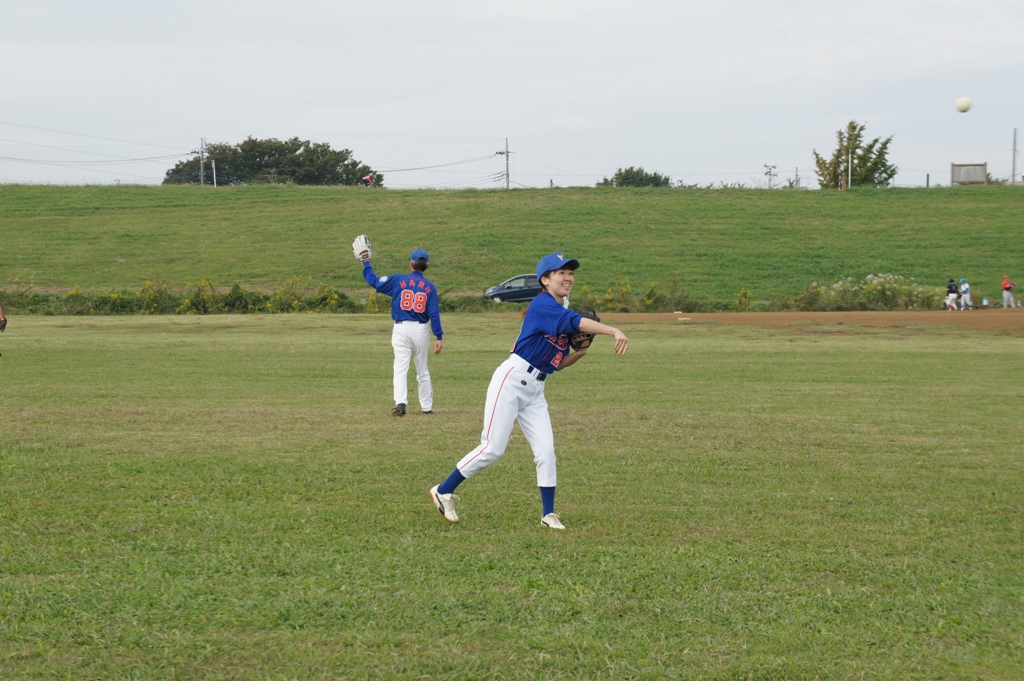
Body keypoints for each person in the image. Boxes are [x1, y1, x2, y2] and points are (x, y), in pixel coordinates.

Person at [428, 252, 630, 530]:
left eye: (570, 272)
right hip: (511, 380)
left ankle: (549, 514)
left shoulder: (560, 310)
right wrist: (614, 330)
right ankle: (444, 489)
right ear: (545, 280)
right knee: (492, 448)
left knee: (546, 451)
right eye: (561, 272)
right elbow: (574, 323)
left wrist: (581, 352)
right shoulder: (543, 305)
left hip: (536, 389)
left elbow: (556, 365)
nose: (568, 277)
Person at [361, 247, 443, 416]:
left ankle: (401, 404)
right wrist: (439, 336)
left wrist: (366, 262)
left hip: (401, 328)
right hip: (421, 329)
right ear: (426, 266)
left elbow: (374, 281)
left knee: (400, 367)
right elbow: (434, 313)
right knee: (422, 368)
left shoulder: (399, 280)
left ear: (411, 264)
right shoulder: (429, 287)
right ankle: (426, 407)